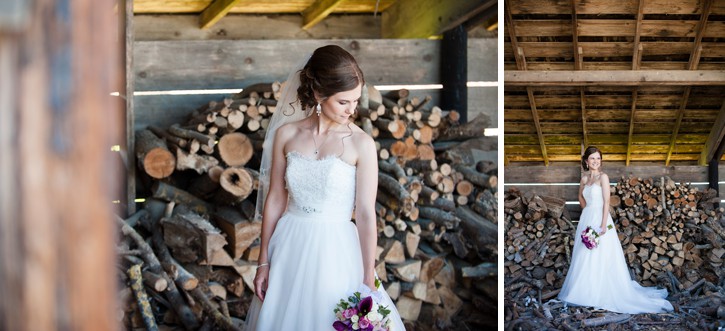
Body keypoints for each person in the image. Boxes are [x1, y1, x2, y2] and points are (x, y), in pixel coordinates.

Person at [243, 45, 405, 330]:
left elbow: (366, 213)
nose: (352, 109)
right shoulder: (287, 134)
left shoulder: (361, 144)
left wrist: (369, 273)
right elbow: (276, 198)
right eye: (344, 102)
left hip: (337, 250)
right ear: (319, 95)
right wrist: (263, 261)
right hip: (289, 244)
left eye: (356, 101)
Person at [558, 146, 674, 313]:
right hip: (587, 218)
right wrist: (586, 211)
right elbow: (580, 197)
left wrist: (603, 224)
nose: (595, 161)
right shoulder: (584, 179)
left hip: (600, 218)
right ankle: (584, 292)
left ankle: (600, 293)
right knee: (584, 254)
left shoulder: (603, 177)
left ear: (601, 161)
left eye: (598, 158)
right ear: (586, 161)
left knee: (600, 254)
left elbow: (606, 201)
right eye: (592, 159)